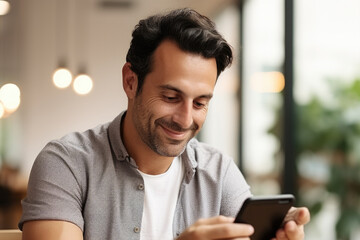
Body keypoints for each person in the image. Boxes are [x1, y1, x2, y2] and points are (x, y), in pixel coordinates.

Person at [19, 8, 310, 240]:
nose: (185, 119)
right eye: (171, 97)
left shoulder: (218, 172)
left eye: (200, 103)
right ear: (131, 82)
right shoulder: (66, 164)